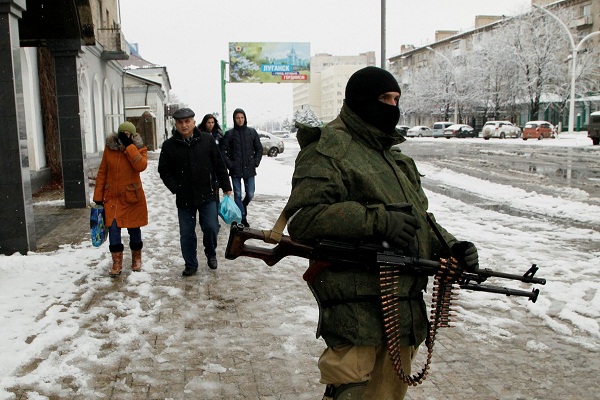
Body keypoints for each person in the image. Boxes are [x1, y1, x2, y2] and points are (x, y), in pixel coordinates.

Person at [282, 66, 479, 400]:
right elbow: (303, 218)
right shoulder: (327, 149)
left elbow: (419, 219)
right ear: (361, 100)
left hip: (402, 310)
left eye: (397, 98)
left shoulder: (394, 158)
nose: (393, 106)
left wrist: (451, 247)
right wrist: (375, 221)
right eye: (385, 98)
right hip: (355, 307)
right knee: (352, 392)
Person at [158, 107, 233, 275]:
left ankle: (211, 253)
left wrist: (226, 187)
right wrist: (175, 187)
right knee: (187, 234)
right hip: (184, 198)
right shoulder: (169, 146)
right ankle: (190, 264)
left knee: (211, 227)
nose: (184, 125)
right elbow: (164, 170)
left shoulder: (206, 140)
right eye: (180, 122)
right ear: (176, 124)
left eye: (187, 121)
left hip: (206, 194)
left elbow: (219, 164)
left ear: (193, 122)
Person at [93, 121, 148, 277]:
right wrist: (98, 197)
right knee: (114, 230)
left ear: (133, 135)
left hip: (132, 197)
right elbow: (102, 172)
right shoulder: (110, 149)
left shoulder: (139, 149)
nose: (125, 136)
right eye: (123, 134)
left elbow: (141, 166)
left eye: (129, 134)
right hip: (113, 199)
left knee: (134, 229)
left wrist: (129, 147)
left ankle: (136, 259)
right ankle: (116, 263)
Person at [219, 108, 263, 227]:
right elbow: (222, 151)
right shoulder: (230, 134)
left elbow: (259, 149)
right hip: (235, 170)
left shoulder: (252, 132)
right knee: (237, 194)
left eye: (242, 117)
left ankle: (241, 207)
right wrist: (230, 164)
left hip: (250, 169)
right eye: (237, 118)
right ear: (234, 119)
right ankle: (243, 218)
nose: (240, 120)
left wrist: (255, 162)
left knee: (250, 193)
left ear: (245, 118)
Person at [198, 114, 225, 200]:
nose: (211, 124)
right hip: (204, 165)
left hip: (216, 165)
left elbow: (223, 149)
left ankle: (215, 208)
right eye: (208, 122)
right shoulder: (200, 134)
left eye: (212, 122)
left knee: (215, 188)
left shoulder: (219, 135)